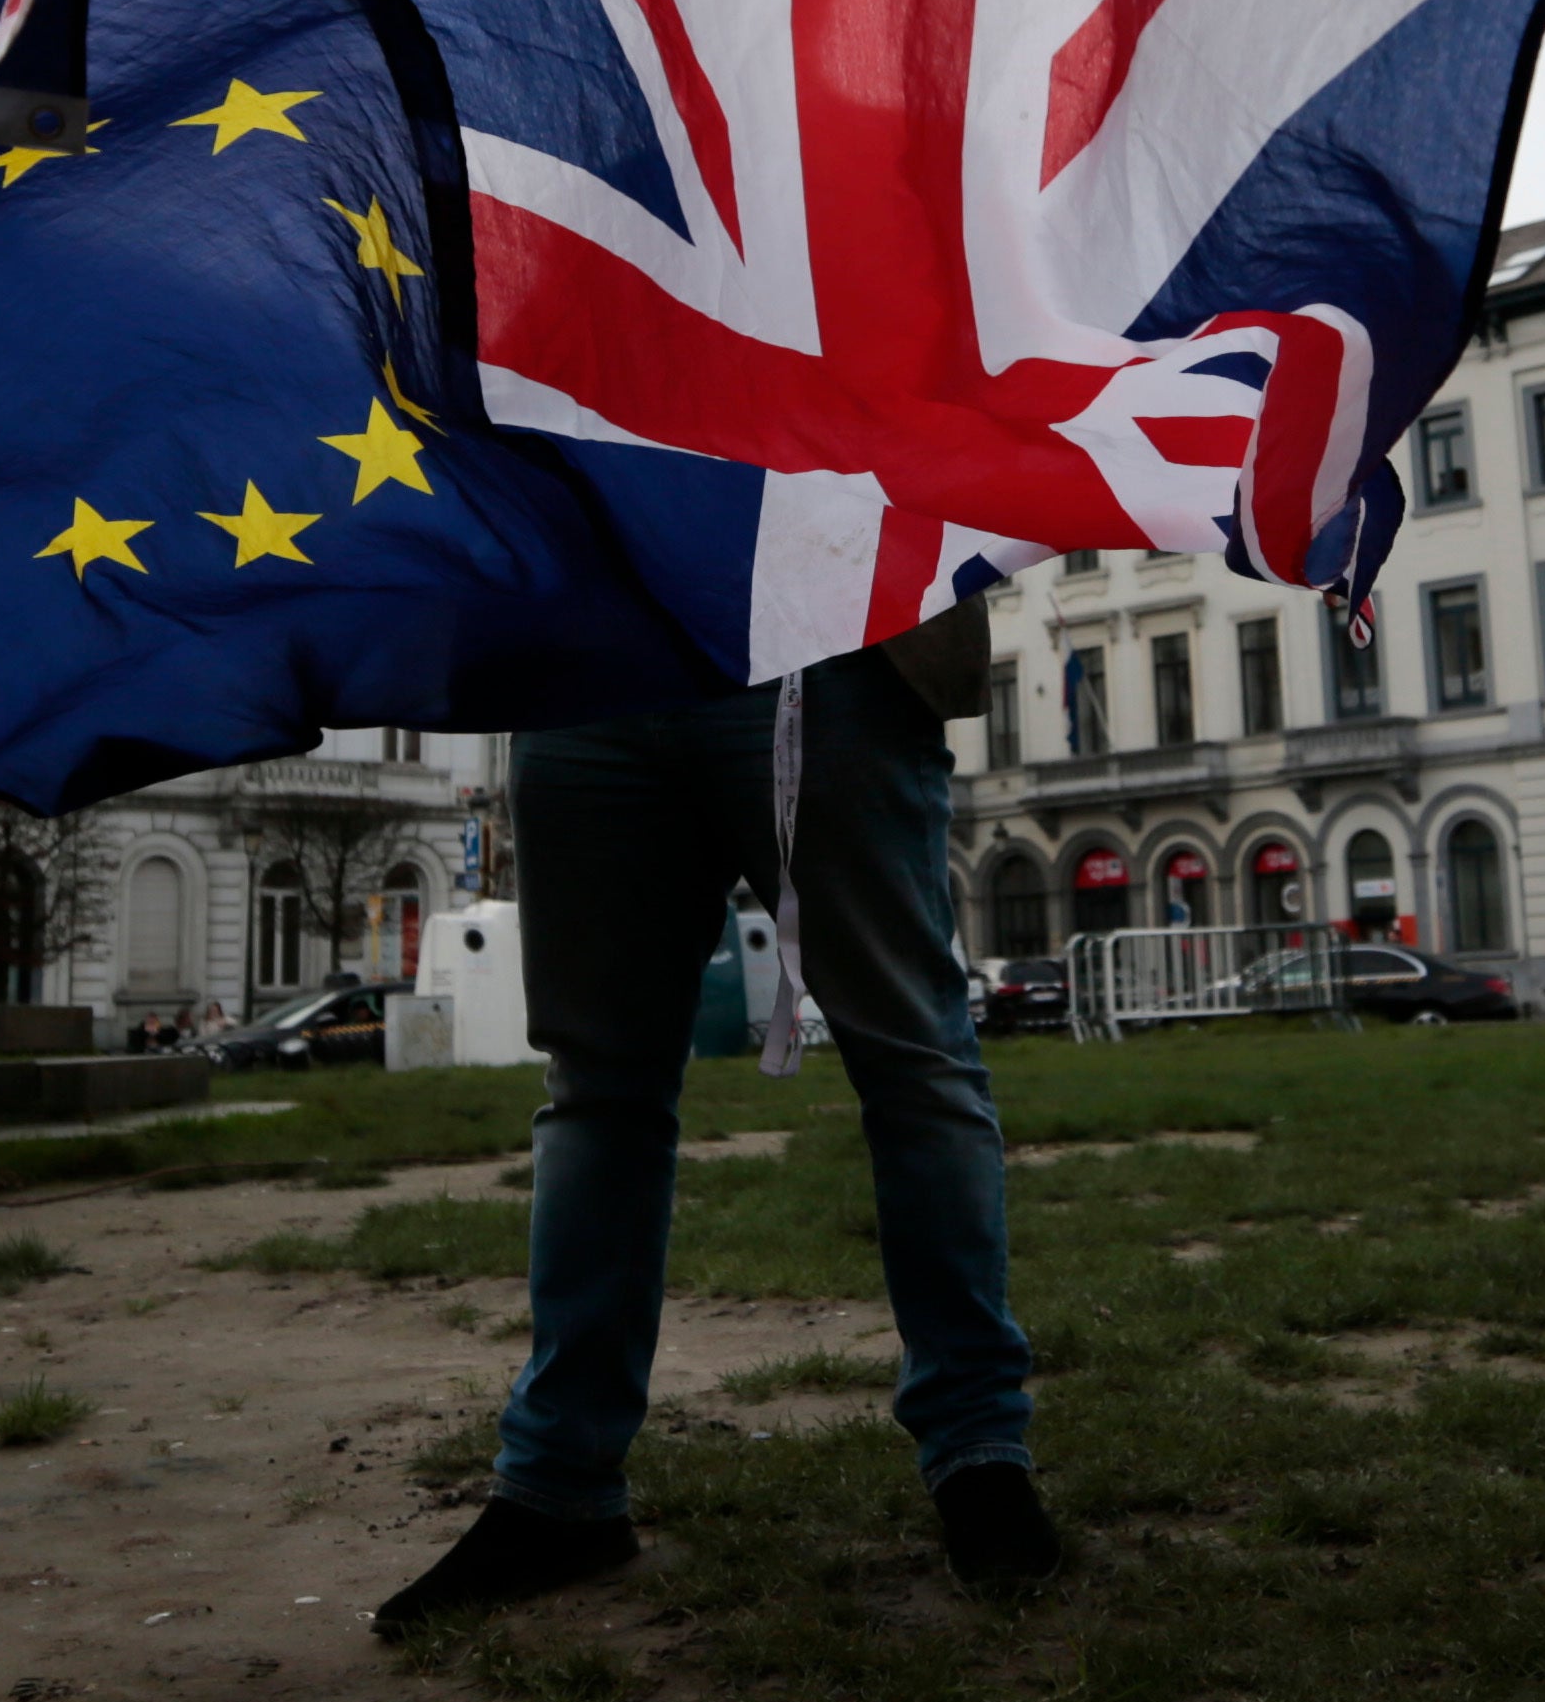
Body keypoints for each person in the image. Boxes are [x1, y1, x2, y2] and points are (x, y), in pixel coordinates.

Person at [375, 608, 1051, 1629]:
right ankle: (560, 1484)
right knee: (599, 1085)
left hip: (826, 632)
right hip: (591, 649)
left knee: (913, 1060)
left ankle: (980, 1455)